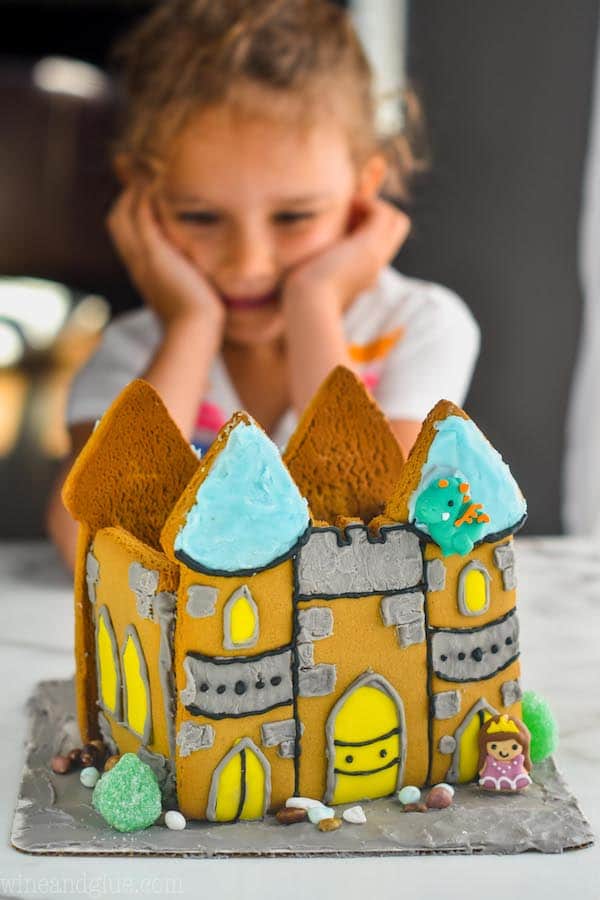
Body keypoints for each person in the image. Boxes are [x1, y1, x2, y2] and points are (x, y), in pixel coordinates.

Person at [46, 0, 480, 570]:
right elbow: (87, 545)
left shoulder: (418, 326)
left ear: (364, 188)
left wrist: (314, 305)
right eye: (200, 216)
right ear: (143, 200)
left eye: (293, 217)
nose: (247, 264)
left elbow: (385, 529)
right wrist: (191, 327)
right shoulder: (136, 359)